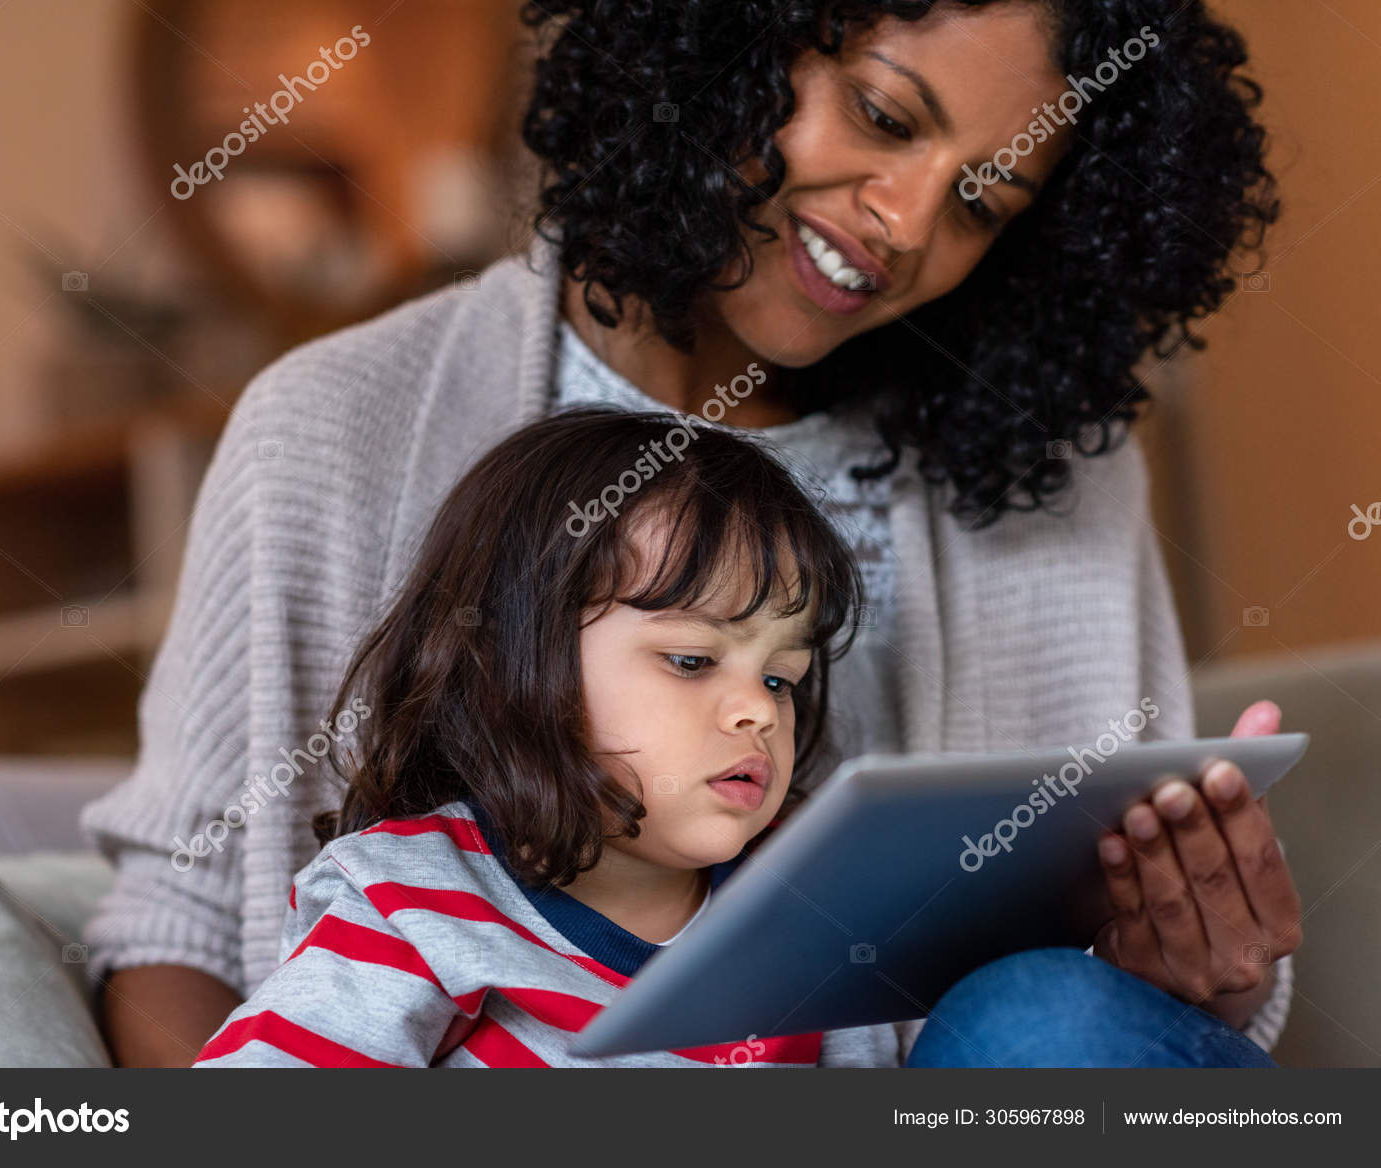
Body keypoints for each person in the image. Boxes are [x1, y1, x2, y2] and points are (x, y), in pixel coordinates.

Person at [81, 0, 1300, 1065]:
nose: (908, 222)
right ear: (728, 37)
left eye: (983, 200)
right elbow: (173, 937)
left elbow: (1095, 1024)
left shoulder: (1063, 489)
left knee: (1037, 1017)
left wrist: (1201, 965)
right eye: (882, 116)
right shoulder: (335, 426)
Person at [188, 407, 1274, 1068]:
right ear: (503, 662)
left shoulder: (805, 911)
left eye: (787, 678)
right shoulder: (410, 901)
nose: (759, 708)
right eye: (693, 660)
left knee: (1036, 1003)